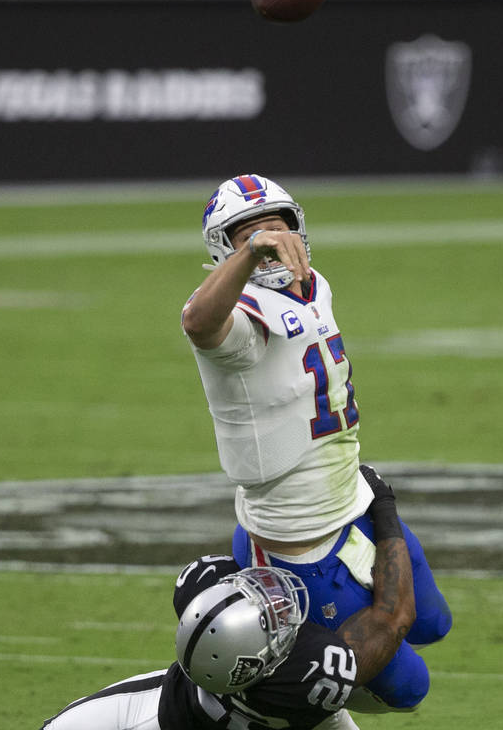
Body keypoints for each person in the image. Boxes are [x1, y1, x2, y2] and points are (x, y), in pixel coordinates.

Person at [179, 174, 451, 710]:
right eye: (248, 235)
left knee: (434, 624)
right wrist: (253, 252)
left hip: (355, 500)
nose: (269, 241)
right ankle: (279, 695)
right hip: (299, 542)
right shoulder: (239, 321)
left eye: (276, 227)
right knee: (408, 689)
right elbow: (198, 321)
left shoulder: (314, 285)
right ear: (224, 250)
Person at [41, 465, 415, 730]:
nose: (280, 599)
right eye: (274, 618)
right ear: (265, 663)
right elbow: (394, 616)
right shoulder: (306, 673)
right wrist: (382, 504)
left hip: (164, 713)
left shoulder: (200, 590)